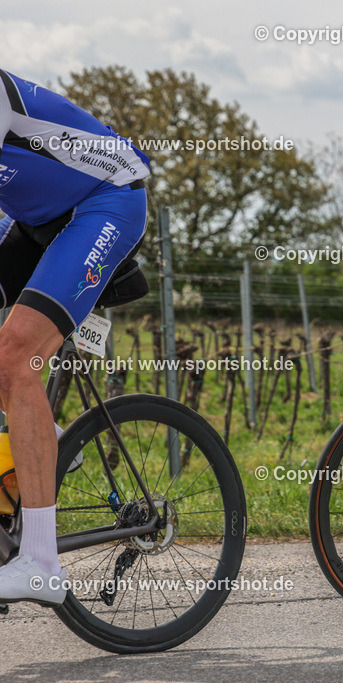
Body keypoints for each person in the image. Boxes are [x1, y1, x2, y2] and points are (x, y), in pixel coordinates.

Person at [0, 69, 150, 605]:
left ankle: (40, 562)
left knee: (15, 357)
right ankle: (49, 436)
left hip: (105, 203)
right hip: (39, 219)